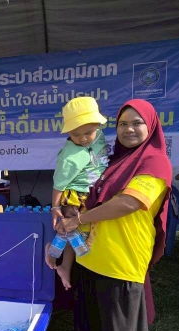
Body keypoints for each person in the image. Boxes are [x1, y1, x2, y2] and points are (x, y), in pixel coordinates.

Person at [59, 99, 172, 331]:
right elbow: (83, 196)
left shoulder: (155, 162)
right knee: (91, 326)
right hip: (90, 255)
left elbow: (129, 203)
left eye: (136, 123)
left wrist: (80, 219)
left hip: (122, 258)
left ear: (150, 126)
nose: (128, 129)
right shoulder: (111, 162)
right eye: (122, 124)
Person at [49, 97, 109, 290]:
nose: (83, 138)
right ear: (68, 132)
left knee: (82, 232)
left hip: (94, 194)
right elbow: (59, 185)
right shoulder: (69, 157)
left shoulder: (99, 137)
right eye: (76, 134)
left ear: (98, 126)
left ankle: (67, 265)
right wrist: (55, 207)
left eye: (88, 133)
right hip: (75, 197)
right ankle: (53, 254)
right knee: (71, 231)